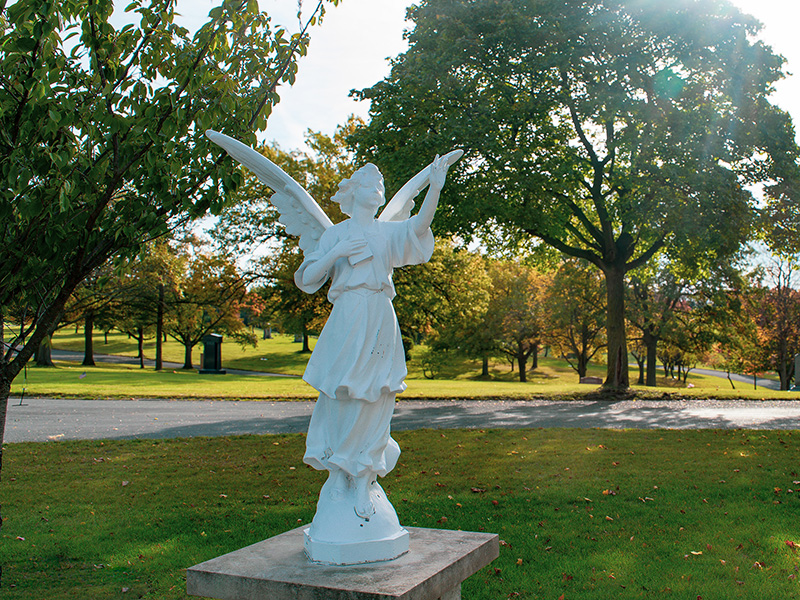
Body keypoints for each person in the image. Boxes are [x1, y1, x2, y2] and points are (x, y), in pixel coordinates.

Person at [294, 157, 450, 519]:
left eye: (381, 182)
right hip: (347, 316)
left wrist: (435, 188)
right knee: (341, 394)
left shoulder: (385, 231)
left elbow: (419, 227)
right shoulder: (335, 233)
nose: (378, 185)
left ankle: (363, 478)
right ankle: (338, 474)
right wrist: (336, 252)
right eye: (370, 181)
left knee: (377, 396)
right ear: (353, 192)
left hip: (379, 314)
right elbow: (308, 279)